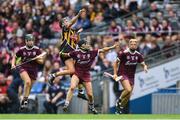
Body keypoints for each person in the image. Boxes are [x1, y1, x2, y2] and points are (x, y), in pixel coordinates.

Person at [60, 40, 119, 114]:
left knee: (90, 95)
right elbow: (67, 55)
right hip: (77, 74)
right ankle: (66, 104)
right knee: (72, 87)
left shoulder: (92, 52)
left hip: (86, 75)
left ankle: (91, 107)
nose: (88, 45)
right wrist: (61, 53)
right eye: (86, 44)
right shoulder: (76, 53)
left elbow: (103, 50)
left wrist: (112, 47)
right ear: (81, 46)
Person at [48, 9, 88, 100]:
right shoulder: (65, 29)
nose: (68, 21)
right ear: (62, 24)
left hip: (70, 52)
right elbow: (72, 23)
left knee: (75, 71)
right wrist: (78, 14)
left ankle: (80, 91)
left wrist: (78, 34)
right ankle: (53, 75)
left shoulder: (72, 31)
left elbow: (77, 42)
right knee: (75, 70)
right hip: (66, 51)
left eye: (67, 20)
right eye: (66, 21)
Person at [113, 38, 148, 114]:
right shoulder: (123, 53)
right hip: (122, 74)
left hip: (131, 76)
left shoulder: (138, 54)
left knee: (128, 95)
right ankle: (119, 100)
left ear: (137, 45)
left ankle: (119, 108)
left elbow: (143, 63)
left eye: (135, 44)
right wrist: (115, 74)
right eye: (131, 44)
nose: (133, 45)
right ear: (129, 45)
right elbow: (115, 63)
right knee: (128, 89)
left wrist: (145, 67)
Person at [11, 34, 45, 110]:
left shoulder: (37, 49)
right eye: (29, 40)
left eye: (32, 40)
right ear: (26, 41)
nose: (31, 42)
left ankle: (24, 100)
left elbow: (41, 61)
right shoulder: (22, 49)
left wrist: (35, 58)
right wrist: (13, 64)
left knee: (29, 87)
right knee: (27, 82)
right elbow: (14, 57)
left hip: (33, 70)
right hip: (23, 68)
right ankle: (25, 99)